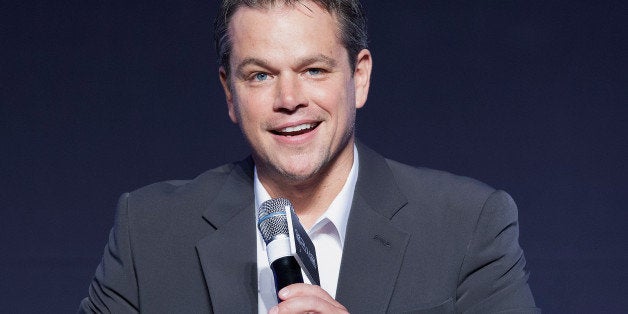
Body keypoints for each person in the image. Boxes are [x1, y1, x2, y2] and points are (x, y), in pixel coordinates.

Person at [79, 0, 539, 313]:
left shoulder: (467, 224)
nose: (289, 99)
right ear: (229, 93)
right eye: (260, 75)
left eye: (313, 70)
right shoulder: (149, 230)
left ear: (358, 78)